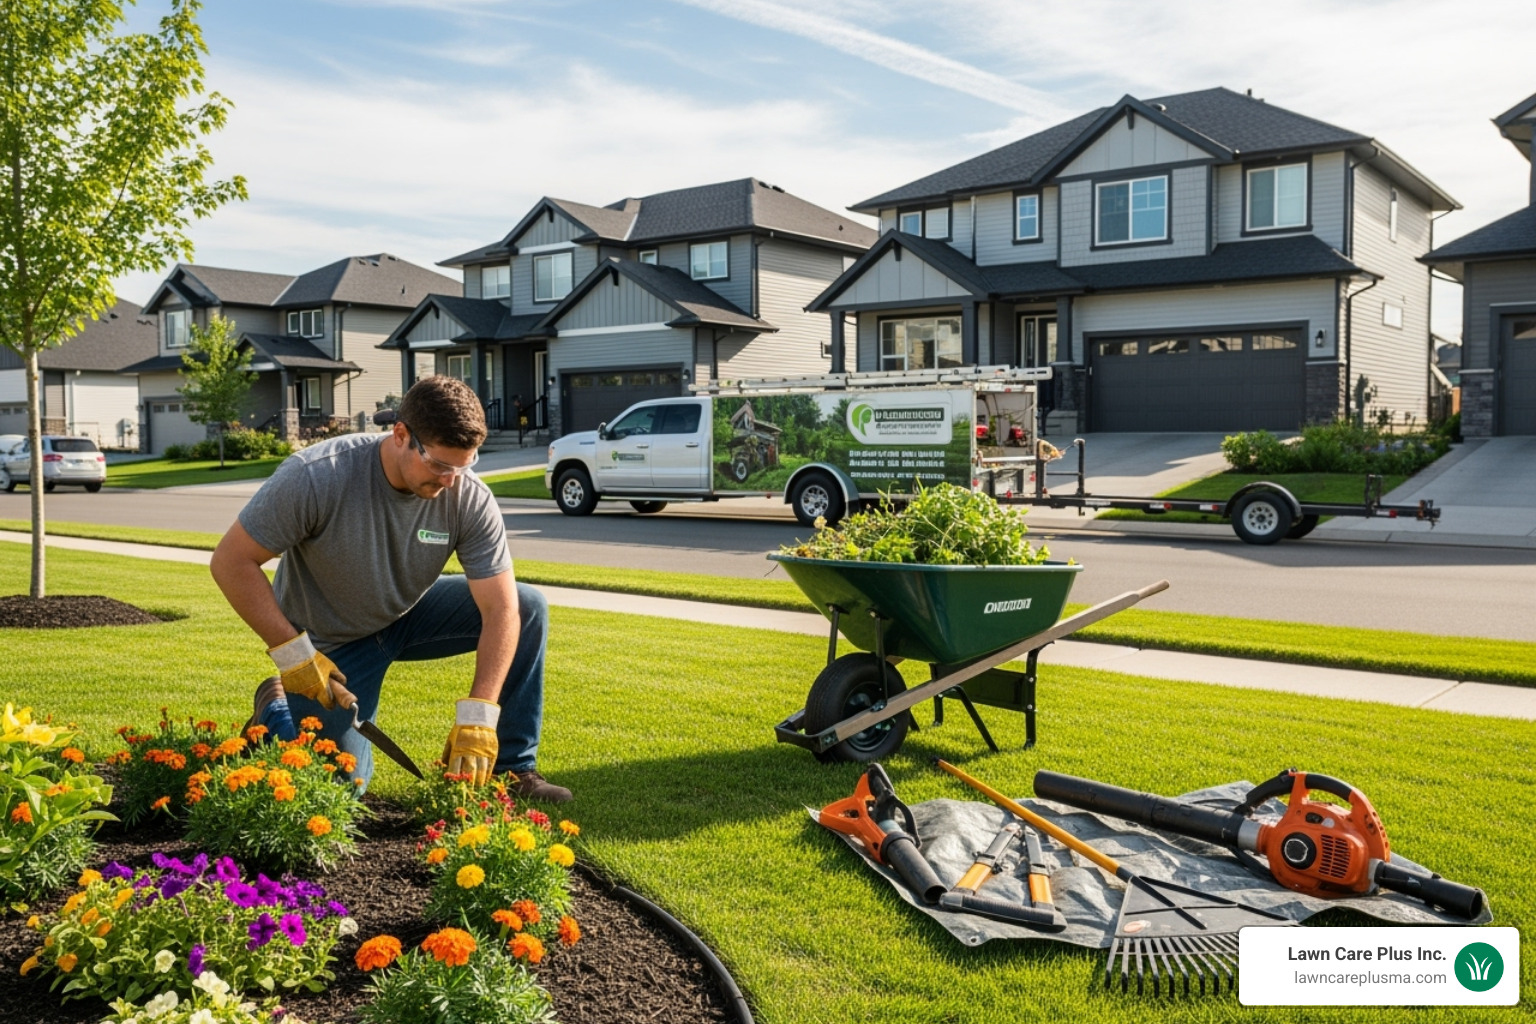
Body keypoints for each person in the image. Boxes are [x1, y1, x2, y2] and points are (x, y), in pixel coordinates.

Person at [209, 375, 569, 802]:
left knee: (527, 607)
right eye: (439, 465)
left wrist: (479, 715)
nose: (451, 480)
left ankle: (512, 771)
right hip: (331, 645)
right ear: (400, 435)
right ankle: (276, 710)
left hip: (407, 617)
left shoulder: (466, 496)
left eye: (465, 465)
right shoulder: (317, 476)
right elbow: (231, 562)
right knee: (341, 787)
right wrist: (294, 656)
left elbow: (501, 610)